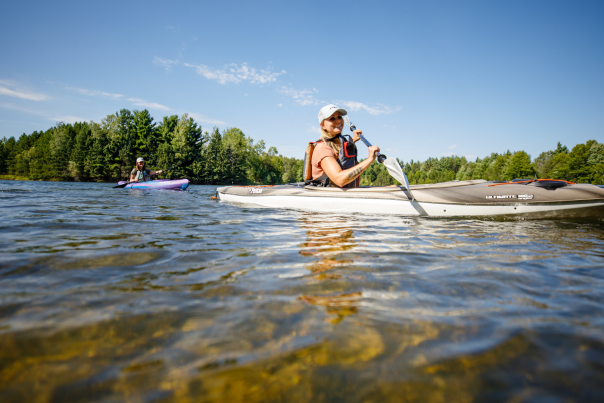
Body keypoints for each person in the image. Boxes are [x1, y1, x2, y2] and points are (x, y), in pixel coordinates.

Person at [311, 104, 380, 188]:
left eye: (339, 117)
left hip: (344, 195)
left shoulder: (338, 144)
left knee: (392, 186)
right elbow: (340, 180)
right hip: (330, 198)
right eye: (332, 118)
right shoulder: (323, 148)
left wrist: (352, 142)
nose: (338, 121)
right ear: (322, 126)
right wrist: (370, 159)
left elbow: (342, 158)